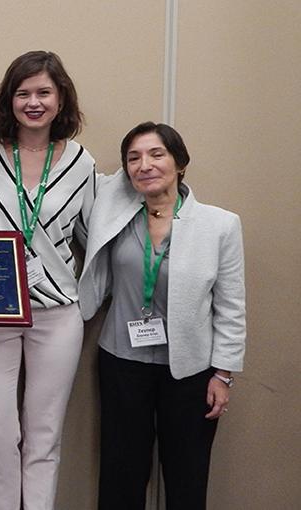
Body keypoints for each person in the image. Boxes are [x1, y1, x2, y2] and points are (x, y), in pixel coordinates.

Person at [79, 122, 245, 510]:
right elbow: (67, 172)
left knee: (188, 475)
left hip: (190, 370)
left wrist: (223, 373)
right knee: (121, 472)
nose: (144, 165)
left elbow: (232, 306)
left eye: (156, 154)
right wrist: (0, 140)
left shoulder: (220, 225)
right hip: (122, 362)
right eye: (133, 158)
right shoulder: (114, 215)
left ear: (180, 162)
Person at [0, 50, 96, 510]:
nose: (34, 102)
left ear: (61, 99)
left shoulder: (83, 163)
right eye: (23, 93)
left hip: (58, 313)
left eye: (44, 92)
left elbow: (92, 238)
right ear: (9, 99)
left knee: (44, 434)